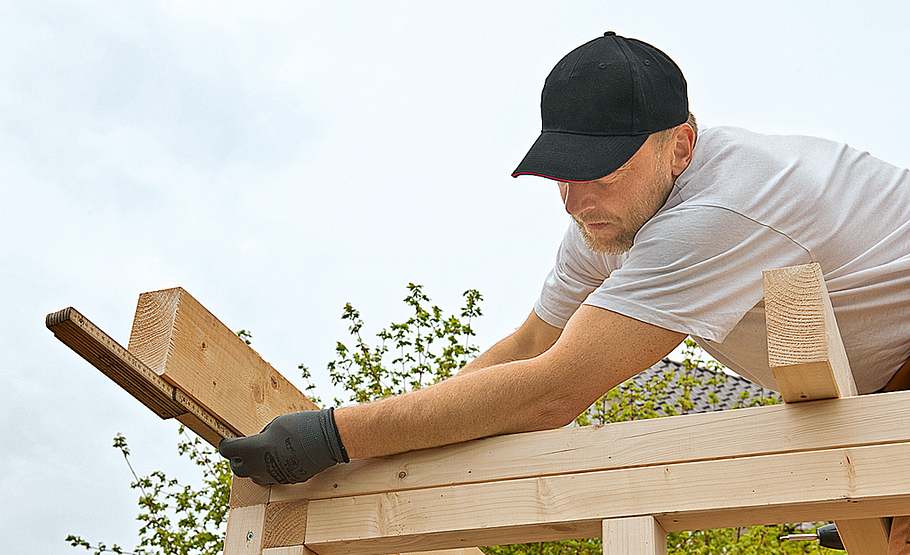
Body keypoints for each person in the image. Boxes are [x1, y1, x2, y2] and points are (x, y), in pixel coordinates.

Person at [218, 32, 910, 486]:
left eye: (601, 172)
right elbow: (526, 346)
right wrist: (389, 450)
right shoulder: (604, 224)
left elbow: (552, 391)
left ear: (681, 147)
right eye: (564, 175)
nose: (576, 201)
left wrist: (332, 434)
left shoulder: (719, 210)